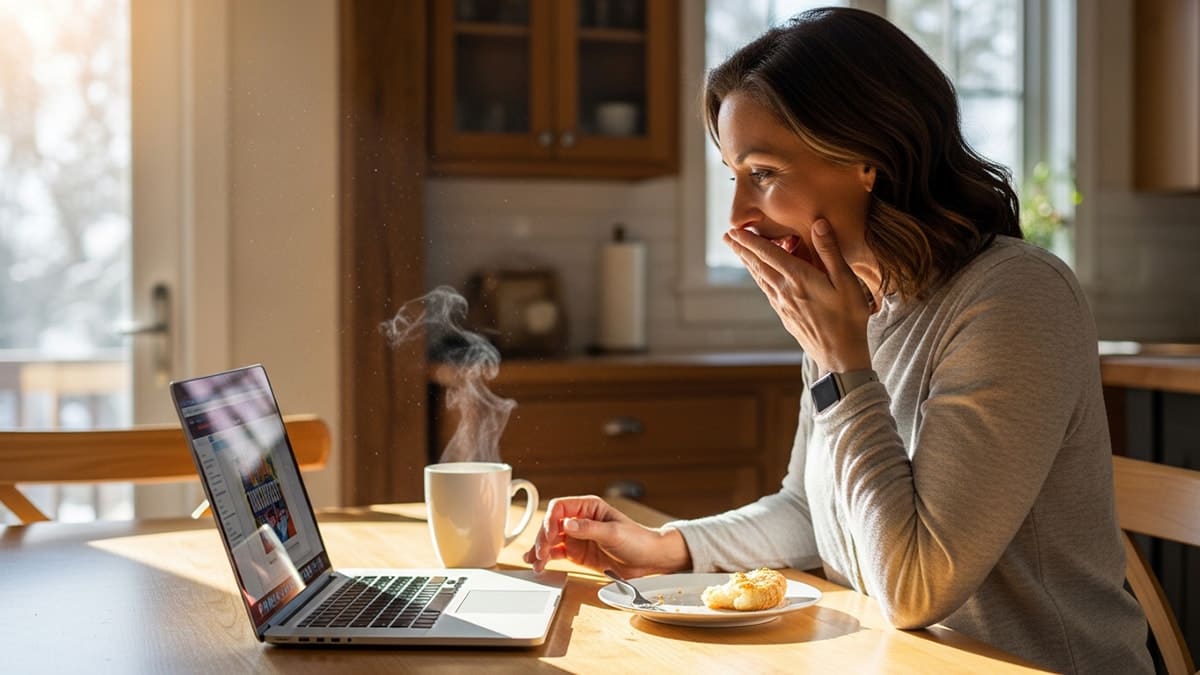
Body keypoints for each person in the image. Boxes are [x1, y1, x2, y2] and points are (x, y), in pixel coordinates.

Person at [523, 7, 1152, 673]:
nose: (737, 215)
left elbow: (915, 588)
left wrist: (842, 360)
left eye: (762, 172)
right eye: (734, 174)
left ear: (867, 159)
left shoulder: (1015, 296)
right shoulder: (853, 306)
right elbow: (808, 509)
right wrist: (666, 545)